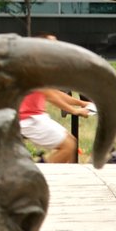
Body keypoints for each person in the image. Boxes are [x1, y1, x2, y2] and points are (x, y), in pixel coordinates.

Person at [18, 35, 93, 163]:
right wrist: (74, 111)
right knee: (68, 146)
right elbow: (50, 96)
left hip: (35, 116)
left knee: (71, 142)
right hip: (28, 119)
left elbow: (54, 93)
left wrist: (81, 103)